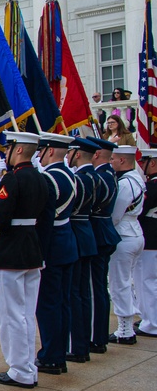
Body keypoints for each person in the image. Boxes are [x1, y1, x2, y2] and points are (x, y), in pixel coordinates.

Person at [0, 131, 53, 389]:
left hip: (12, 249)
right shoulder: (40, 178)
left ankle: (19, 369)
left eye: (8, 149)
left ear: (16, 150)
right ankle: (27, 366)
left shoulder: (12, 179)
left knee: (11, 314)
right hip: (31, 247)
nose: (6, 153)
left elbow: (2, 217)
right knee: (26, 312)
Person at [33, 133, 79, 376]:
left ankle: (51, 355)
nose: (38, 155)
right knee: (62, 303)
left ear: (49, 151)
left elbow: (43, 216)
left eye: (41, 151)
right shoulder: (71, 176)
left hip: (51, 245)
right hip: (67, 243)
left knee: (48, 304)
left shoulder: (49, 178)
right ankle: (59, 353)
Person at [66, 138, 100, 363]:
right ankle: (83, 342)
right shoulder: (97, 176)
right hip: (87, 232)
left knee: (75, 294)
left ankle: (78, 346)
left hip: (77, 232)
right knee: (83, 294)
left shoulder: (79, 178)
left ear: (77, 154)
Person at [86, 137, 121, 353]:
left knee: (94, 287)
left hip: (98, 233)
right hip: (104, 231)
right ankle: (98, 334)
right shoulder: (110, 174)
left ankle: (95, 335)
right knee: (98, 287)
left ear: (97, 154)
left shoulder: (100, 176)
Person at [108, 145, 145, 344]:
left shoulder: (125, 183)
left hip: (124, 234)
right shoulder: (137, 178)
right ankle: (127, 325)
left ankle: (125, 330)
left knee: (119, 283)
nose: (111, 161)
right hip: (134, 232)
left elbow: (115, 214)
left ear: (122, 160)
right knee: (126, 281)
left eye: (113, 159)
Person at [134, 148, 157, 338]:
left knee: (147, 282)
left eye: (145, 162)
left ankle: (151, 323)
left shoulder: (152, 187)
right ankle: (149, 317)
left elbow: (139, 211)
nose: (141, 165)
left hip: (151, 238)